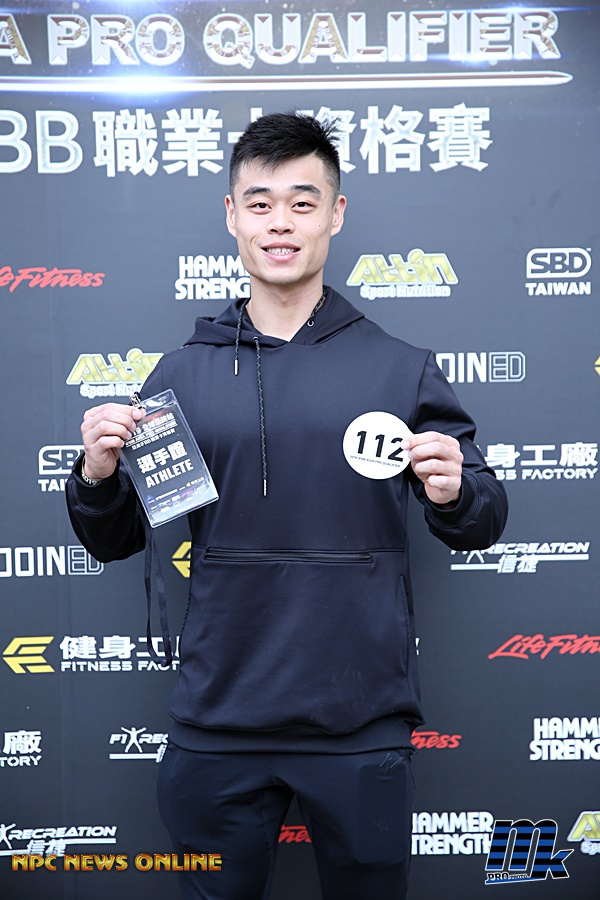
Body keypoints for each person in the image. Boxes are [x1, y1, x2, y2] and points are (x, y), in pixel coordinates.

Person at [66, 112, 508, 900]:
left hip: (359, 722)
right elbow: (114, 538)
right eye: (260, 202)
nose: (280, 223)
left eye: (303, 203)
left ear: (335, 213)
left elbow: (481, 519)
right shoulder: (179, 374)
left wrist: (454, 490)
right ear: (231, 215)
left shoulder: (401, 369)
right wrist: (97, 475)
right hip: (216, 721)